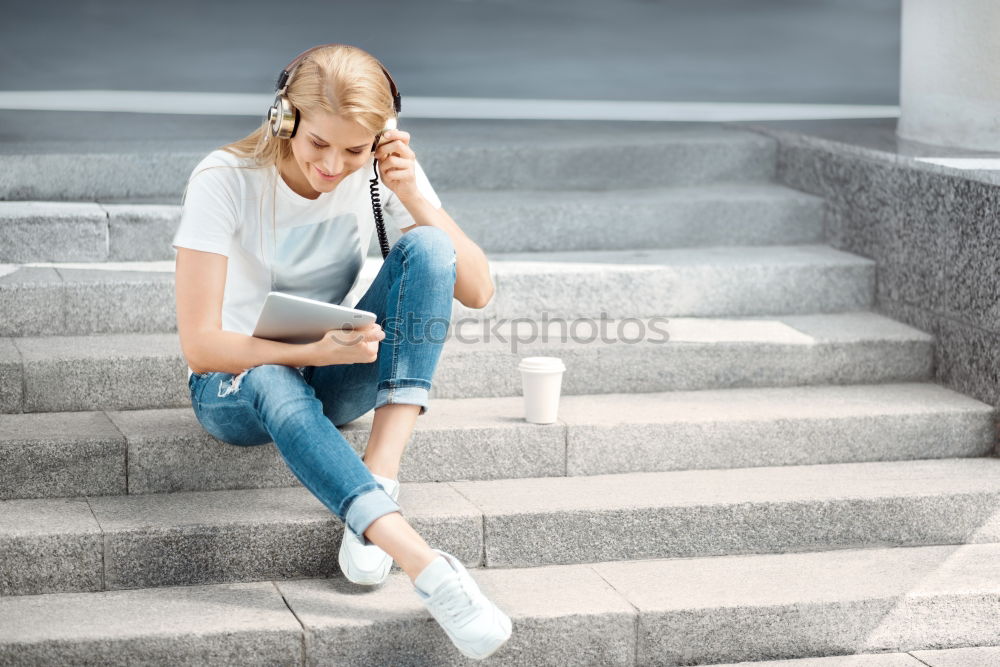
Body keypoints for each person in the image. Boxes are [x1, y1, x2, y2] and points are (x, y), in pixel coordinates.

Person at [171, 43, 511, 660]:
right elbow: (199, 345)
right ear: (284, 120)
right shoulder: (223, 180)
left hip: (328, 366)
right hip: (234, 383)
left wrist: (414, 197)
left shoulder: (378, 168)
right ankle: (426, 567)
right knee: (272, 373)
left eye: (355, 150)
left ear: (381, 137)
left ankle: (380, 476)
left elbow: (479, 289)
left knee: (432, 249)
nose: (334, 165)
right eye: (319, 145)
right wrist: (316, 354)